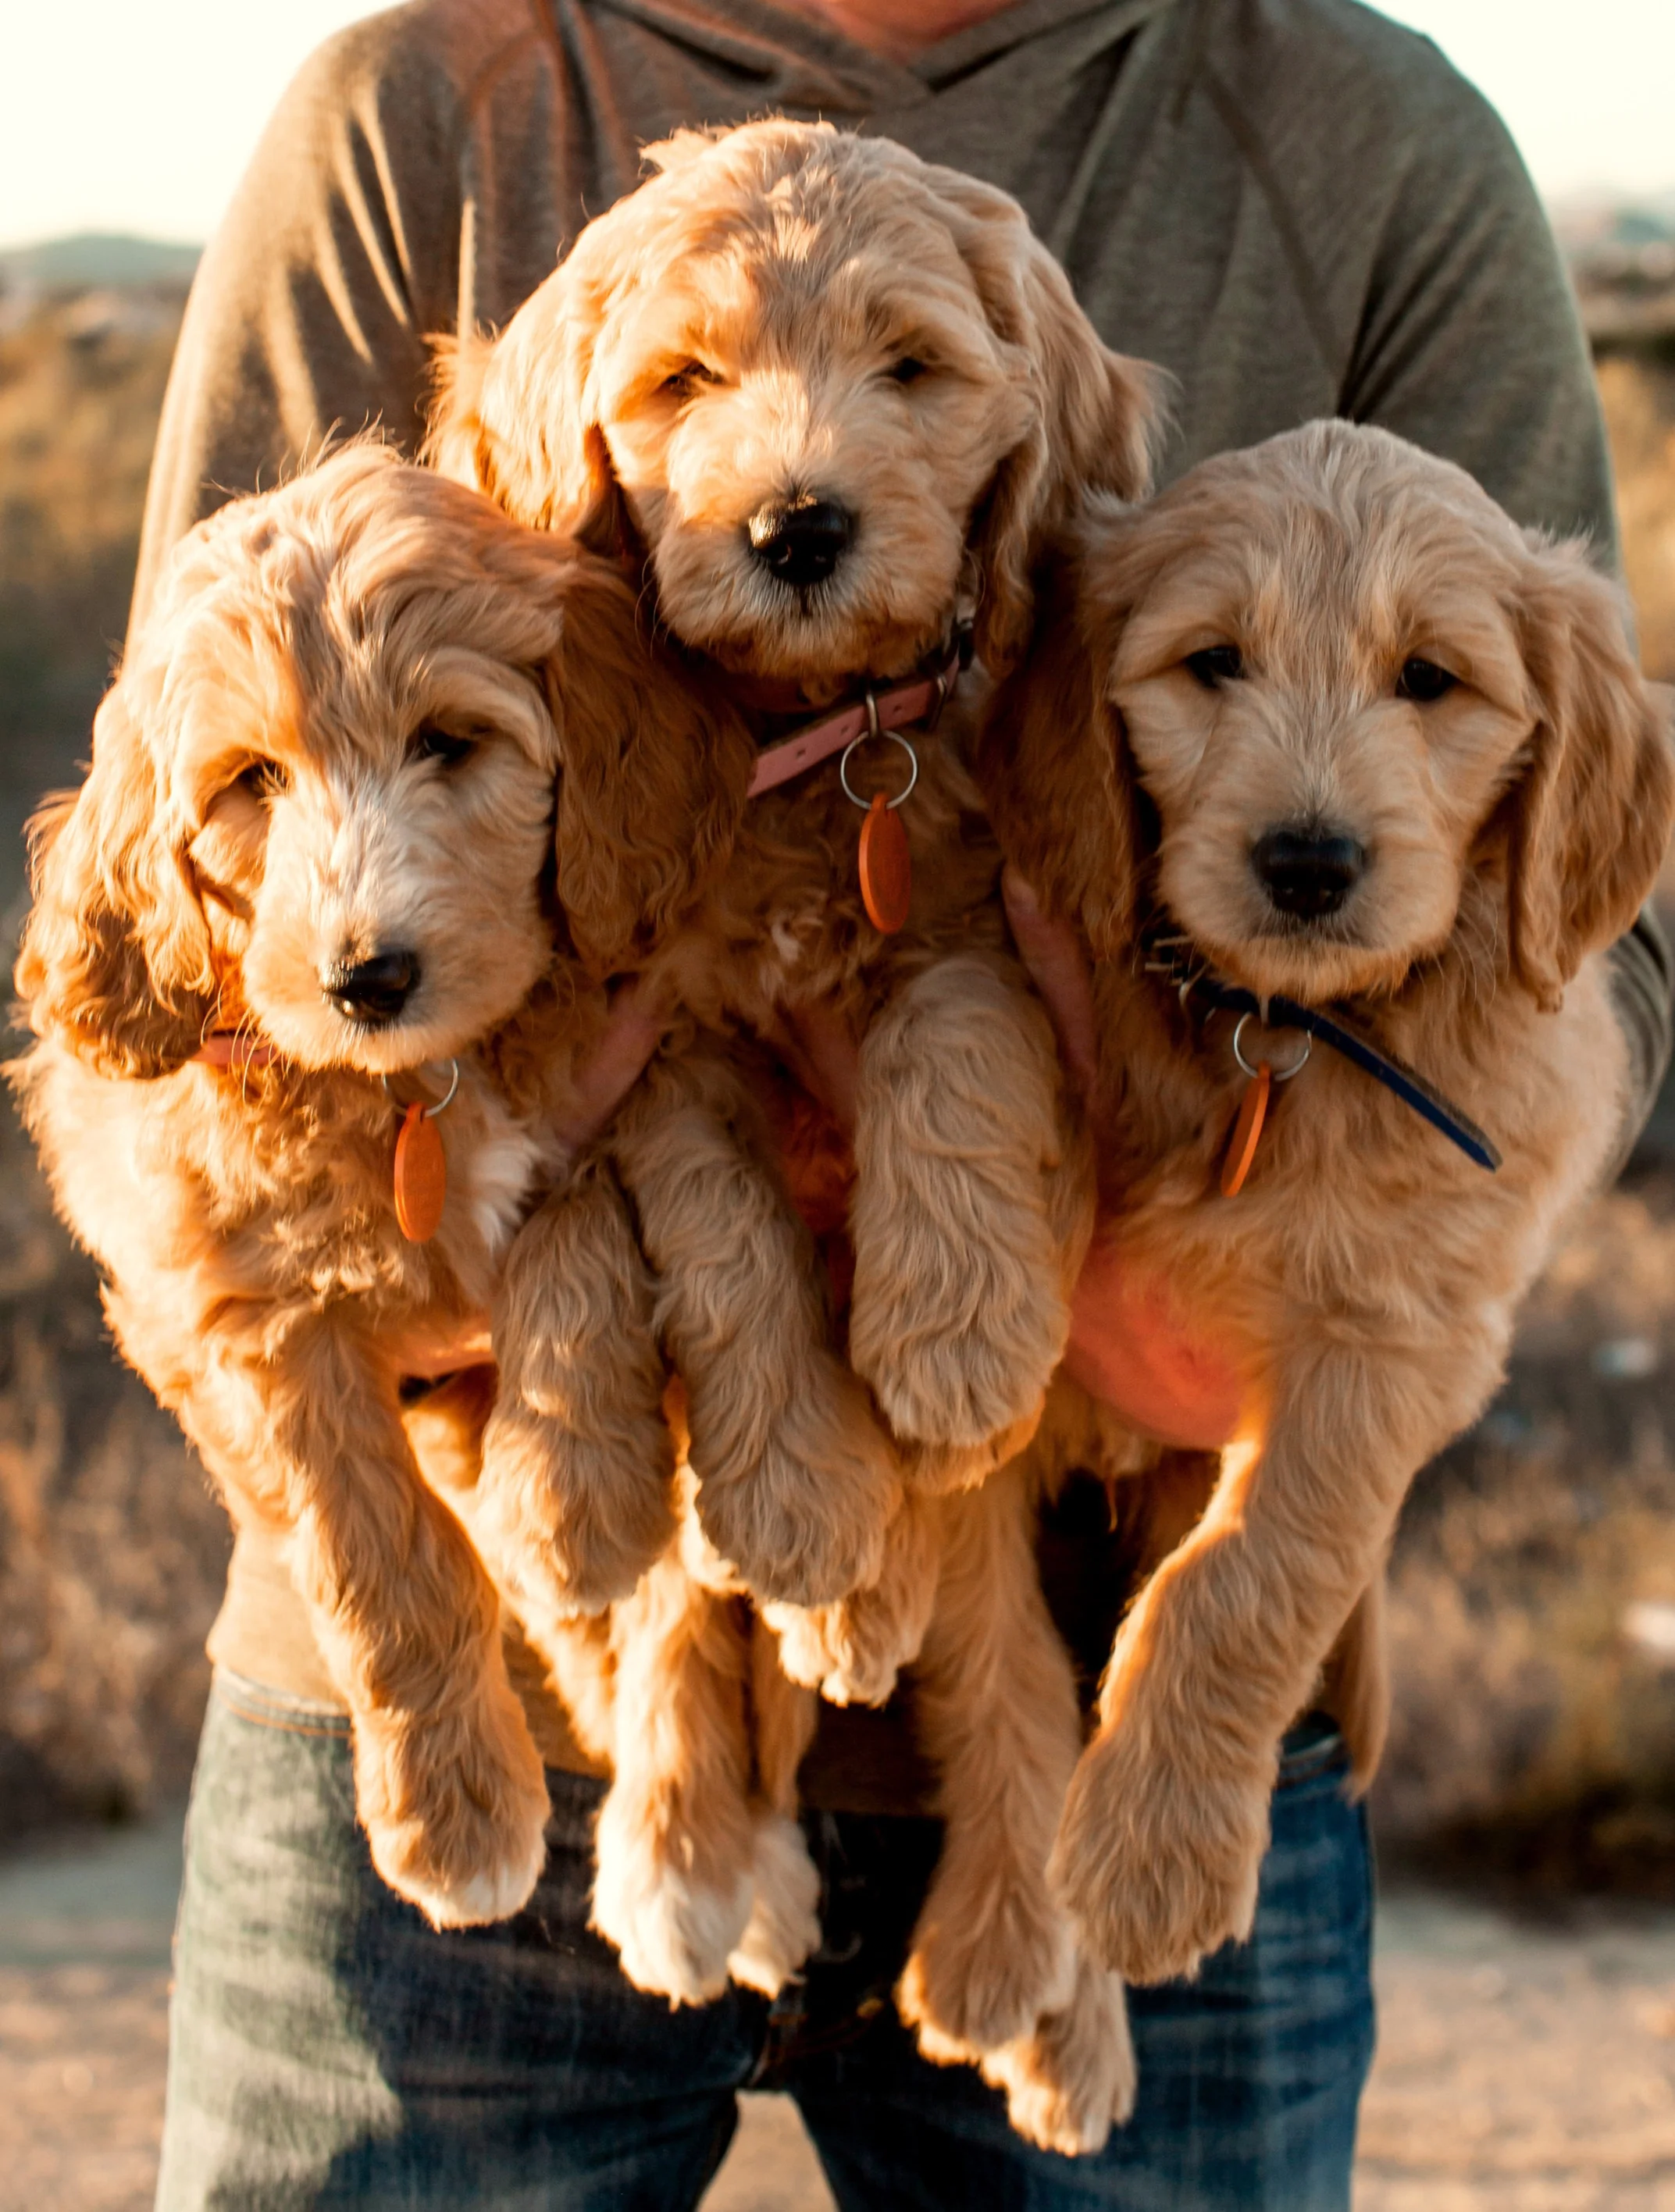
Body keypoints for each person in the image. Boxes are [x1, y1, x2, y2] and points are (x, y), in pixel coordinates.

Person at [134, 2, 1671, 2205]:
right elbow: (201, 865)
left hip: (1130, 1661)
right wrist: (517, 1282)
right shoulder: (419, 106)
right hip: (464, 1676)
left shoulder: (1370, 135)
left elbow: (1600, 943)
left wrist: (1171, 1299)